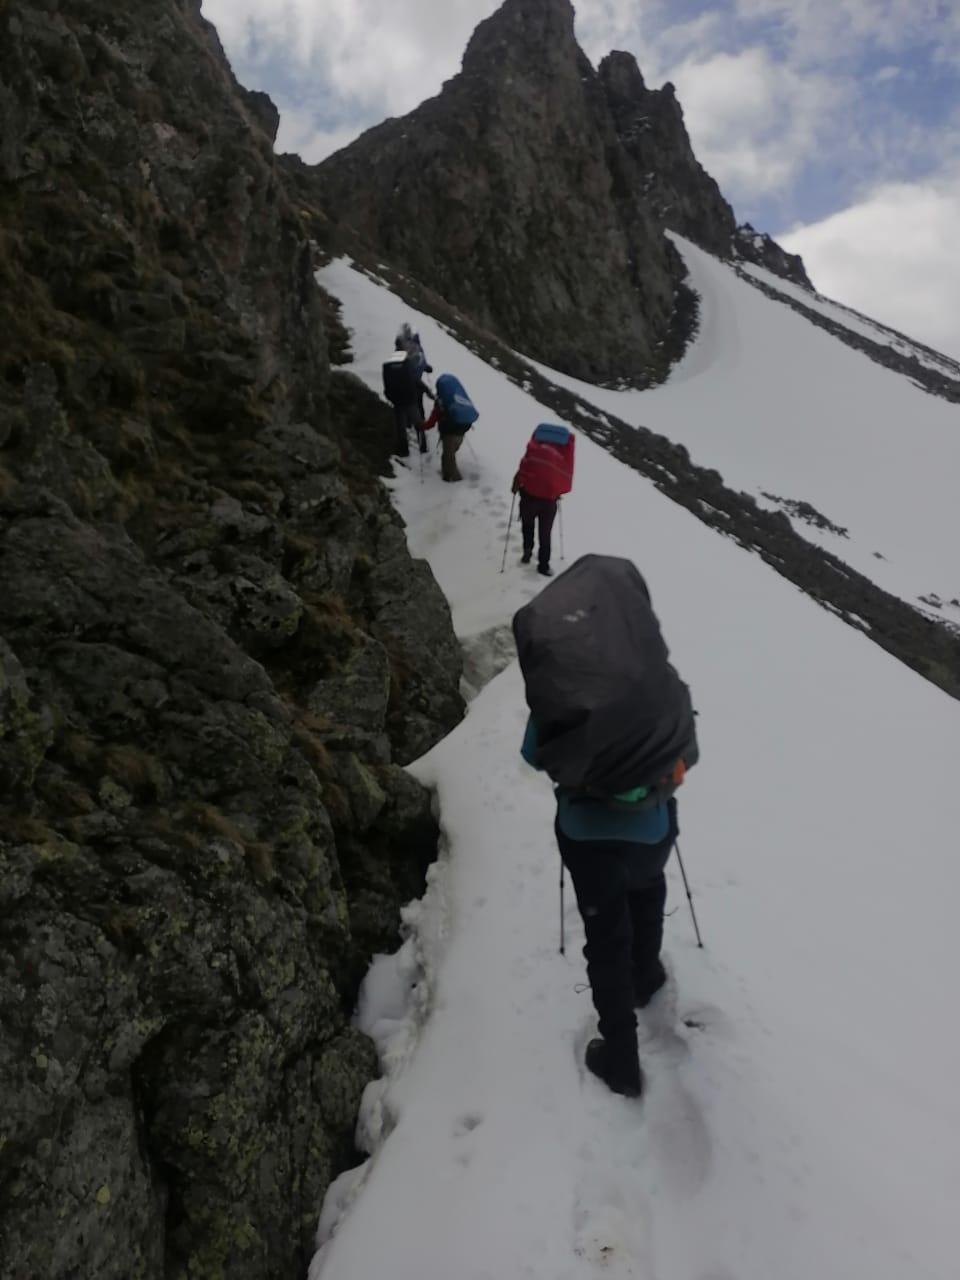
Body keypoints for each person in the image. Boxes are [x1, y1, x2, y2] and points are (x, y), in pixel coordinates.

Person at [514, 555, 697, 1099]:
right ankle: (647, 973)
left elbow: (534, 753)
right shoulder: (658, 682)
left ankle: (620, 1054)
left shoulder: (565, 689)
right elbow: (690, 750)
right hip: (653, 834)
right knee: (648, 889)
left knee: (604, 934)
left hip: (588, 840)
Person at [512, 424, 575, 577]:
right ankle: (543, 565)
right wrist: (557, 491)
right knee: (545, 534)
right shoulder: (561, 457)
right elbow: (564, 479)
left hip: (528, 497)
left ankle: (527, 551)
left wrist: (516, 484)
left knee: (527, 525)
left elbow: (523, 468)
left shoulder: (534, 449)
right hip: (548, 502)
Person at [382, 339, 433, 457]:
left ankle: (403, 451)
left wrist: (390, 397)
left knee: (401, 426)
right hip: (410, 398)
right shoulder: (407, 363)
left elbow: (387, 384)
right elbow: (415, 380)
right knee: (418, 421)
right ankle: (423, 446)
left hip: (398, 401)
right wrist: (427, 391)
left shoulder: (387, 365)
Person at [423, 373, 478, 482]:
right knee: (449, 455)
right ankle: (446, 476)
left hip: (449, 433)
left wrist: (421, 426)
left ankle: (454, 480)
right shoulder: (459, 397)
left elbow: (431, 423)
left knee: (449, 457)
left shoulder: (442, 404)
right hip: (461, 431)